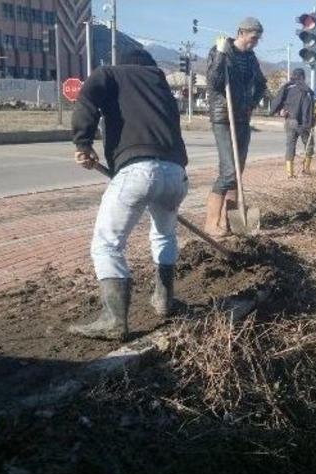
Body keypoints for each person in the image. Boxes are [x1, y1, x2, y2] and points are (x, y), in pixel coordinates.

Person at [68, 49, 189, 341]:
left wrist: (83, 144)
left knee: (106, 244)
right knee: (164, 235)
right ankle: (164, 300)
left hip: (137, 172)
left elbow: (86, 100)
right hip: (176, 174)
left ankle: (114, 320)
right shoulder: (159, 83)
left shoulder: (109, 73)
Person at [202, 17, 268, 238]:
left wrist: (251, 104)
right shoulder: (221, 51)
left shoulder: (250, 57)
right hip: (223, 116)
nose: (255, 42)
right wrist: (220, 55)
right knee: (229, 171)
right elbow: (214, 81)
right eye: (253, 38)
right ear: (241, 33)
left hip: (242, 117)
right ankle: (211, 223)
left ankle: (228, 221)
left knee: (237, 171)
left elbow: (261, 83)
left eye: (258, 39)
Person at [269, 67, 315, 178]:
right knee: (309, 145)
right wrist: (309, 123)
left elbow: (277, 101)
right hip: (302, 123)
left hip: (289, 121)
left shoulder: (286, 88)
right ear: (303, 77)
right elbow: (307, 108)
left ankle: (290, 174)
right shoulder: (306, 91)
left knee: (290, 146)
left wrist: (276, 111)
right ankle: (306, 170)